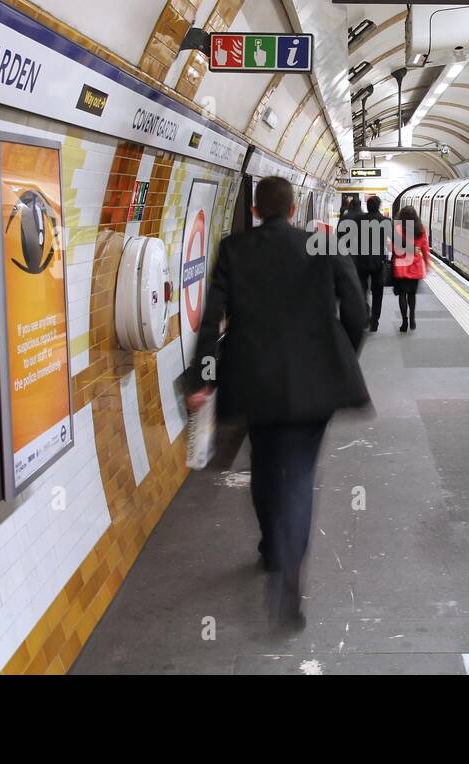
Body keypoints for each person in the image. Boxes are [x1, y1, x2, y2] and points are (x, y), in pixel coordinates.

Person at [184, 176, 369, 629]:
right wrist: (339, 352)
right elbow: (357, 313)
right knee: (301, 474)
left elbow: (210, 320)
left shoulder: (234, 250)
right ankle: (289, 571)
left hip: (256, 383)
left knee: (264, 466)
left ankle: (271, 547)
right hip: (315, 385)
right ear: (292, 211)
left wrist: (202, 379)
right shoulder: (322, 246)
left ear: (255, 210)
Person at [391, 205, 430, 332]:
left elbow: (393, 248)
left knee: (402, 295)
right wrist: (427, 264)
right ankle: (412, 318)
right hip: (415, 267)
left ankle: (404, 322)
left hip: (401, 267)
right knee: (412, 295)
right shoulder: (421, 229)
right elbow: (425, 249)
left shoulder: (397, 229)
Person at [355, 195, 389, 331]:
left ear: (367, 206)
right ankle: (375, 321)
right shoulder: (385, 221)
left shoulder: (358, 220)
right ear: (379, 206)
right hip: (378, 262)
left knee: (362, 291)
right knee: (377, 292)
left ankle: (364, 315)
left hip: (361, 260)